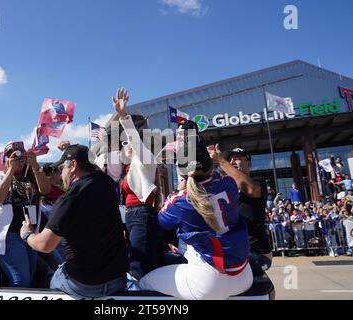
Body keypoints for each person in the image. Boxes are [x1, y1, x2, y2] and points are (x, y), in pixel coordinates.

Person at [139, 143, 253, 300]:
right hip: (244, 276)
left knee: (145, 282)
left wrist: (180, 189)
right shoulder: (229, 184)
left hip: (208, 283)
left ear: (182, 172)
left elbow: (162, 222)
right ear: (210, 164)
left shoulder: (179, 200)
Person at [20, 144, 129, 299]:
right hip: (118, 280)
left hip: (85, 285)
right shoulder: (106, 183)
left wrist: (27, 235)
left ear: (73, 166)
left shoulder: (70, 198)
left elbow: (45, 245)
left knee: (55, 277)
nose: (61, 174)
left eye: (62, 168)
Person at [0, 141, 51, 287]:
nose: (17, 159)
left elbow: (45, 190)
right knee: (21, 280)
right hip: (9, 234)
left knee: (30, 276)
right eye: (11, 156)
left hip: (30, 232)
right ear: (5, 160)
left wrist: (35, 165)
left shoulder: (32, 175)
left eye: (21, 155)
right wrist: (10, 170)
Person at [112, 88, 164, 280]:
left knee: (138, 265)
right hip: (133, 216)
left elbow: (134, 139)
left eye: (128, 142)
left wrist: (123, 116)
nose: (125, 146)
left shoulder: (146, 158)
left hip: (141, 214)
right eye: (123, 143)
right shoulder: (129, 167)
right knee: (143, 262)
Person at [209, 147, 272, 277]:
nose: (232, 161)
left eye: (237, 158)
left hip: (257, 254)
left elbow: (250, 189)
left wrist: (221, 161)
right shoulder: (224, 189)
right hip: (232, 251)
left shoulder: (258, 182)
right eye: (230, 158)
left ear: (249, 164)